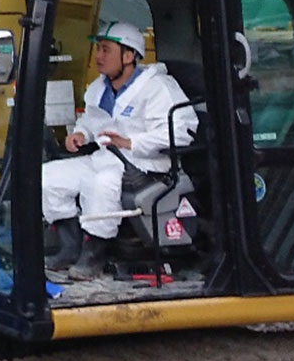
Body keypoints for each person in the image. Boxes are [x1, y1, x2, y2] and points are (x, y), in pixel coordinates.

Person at [42, 21, 199, 281]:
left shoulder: (159, 87)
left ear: (128, 56)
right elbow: (92, 121)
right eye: (98, 49)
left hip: (146, 166)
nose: (99, 57)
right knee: (47, 178)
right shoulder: (99, 88)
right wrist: (81, 134)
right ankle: (70, 248)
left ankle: (94, 255)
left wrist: (132, 143)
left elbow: (183, 132)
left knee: (100, 184)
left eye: (106, 50)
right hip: (106, 157)